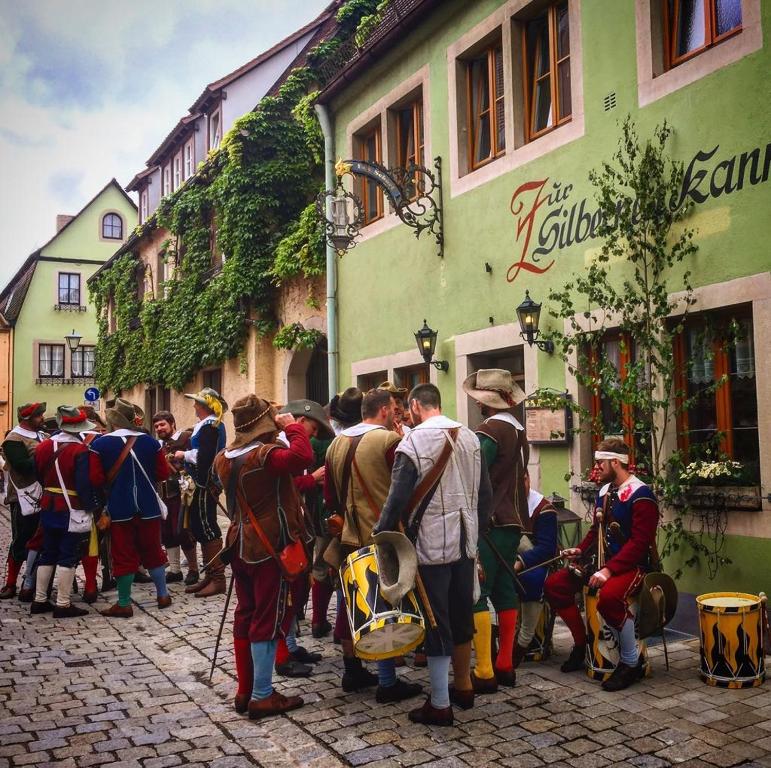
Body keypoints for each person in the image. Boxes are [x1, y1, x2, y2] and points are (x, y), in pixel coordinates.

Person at [375, 383, 492, 726]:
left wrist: (381, 534)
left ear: (414, 406)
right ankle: (465, 686)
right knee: (461, 614)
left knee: (437, 620)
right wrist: (476, 534)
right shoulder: (470, 436)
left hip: (430, 544)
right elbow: (484, 496)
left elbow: (397, 498)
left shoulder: (412, 441)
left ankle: (440, 703)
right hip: (465, 541)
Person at [213, 394, 312, 719]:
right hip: (268, 547)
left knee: (246, 614)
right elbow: (302, 457)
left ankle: (245, 690)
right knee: (266, 618)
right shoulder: (266, 455)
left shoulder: (223, 457)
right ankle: (261, 695)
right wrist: (293, 427)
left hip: (240, 543)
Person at [325, 388, 423, 702]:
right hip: (382, 533)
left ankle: (352, 667)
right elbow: (404, 488)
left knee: (351, 598)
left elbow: (329, 497)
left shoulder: (335, 444)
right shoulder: (388, 441)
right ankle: (387, 681)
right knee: (384, 602)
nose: (397, 413)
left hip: (346, 534)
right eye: (394, 408)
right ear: (382, 410)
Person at [544, 438, 659, 691]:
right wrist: (580, 550)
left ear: (615, 463)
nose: (596, 469)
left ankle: (630, 663)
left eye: (600, 463)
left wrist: (608, 570)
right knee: (555, 585)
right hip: (601, 563)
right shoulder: (605, 492)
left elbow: (640, 544)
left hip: (634, 566)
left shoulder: (642, 495)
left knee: (609, 598)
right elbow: (596, 531)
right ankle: (580, 644)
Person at [462, 369, 529, 693]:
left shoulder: (489, 430)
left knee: (478, 592)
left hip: (489, 523)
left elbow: (473, 474)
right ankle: (505, 665)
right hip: (513, 523)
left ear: (484, 400)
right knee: (504, 591)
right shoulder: (518, 430)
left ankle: (485, 671)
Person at [91, 398, 172, 618]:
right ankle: (163, 595)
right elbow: (163, 474)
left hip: (119, 507)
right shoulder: (150, 442)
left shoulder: (100, 444)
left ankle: (124, 603)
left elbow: (96, 479)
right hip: (149, 506)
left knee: (123, 554)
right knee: (153, 550)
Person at [274, 399, 336, 677]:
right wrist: (312, 479)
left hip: (296, 523)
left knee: (296, 589)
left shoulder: (289, 442)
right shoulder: (279, 446)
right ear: (298, 422)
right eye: (311, 429)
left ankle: (290, 643)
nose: (312, 436)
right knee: (284, 593)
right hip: (280, 529)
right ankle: (282, 652)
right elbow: (283, 484)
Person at [31, 406, 105, 618]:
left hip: (48, 504)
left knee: (48, 552)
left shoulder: (43, 446)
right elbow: (84, 484)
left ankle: (40, 600)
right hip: (71, 507)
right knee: (68, 554)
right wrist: (91, 507)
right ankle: (63, 604)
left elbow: (38, 475)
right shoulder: (80, 451)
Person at [173, 387, 228, 598]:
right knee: (200, 525)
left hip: (205, 483)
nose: (194, 406)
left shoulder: (211, 426)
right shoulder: (206, 426)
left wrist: (183, 454)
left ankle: (218, 578)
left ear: (205, 406)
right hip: (201, 482)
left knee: (206, 526)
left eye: (197, 403)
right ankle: (211, 575)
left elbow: (205, 457)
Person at [512, 471, 559, 668]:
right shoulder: (504, 504)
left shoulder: (543, 509)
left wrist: (521, 562)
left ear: (529, 478)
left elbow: (546, 549)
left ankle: (523, 642)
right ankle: (496, 642)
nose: (521, 484)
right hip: (509, 561)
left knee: (532, 579)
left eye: (524, 478)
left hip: (538, 563)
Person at [1, 402, 47, 600]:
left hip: (43, 494)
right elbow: (22, 465)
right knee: (22, 539)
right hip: (23, 496)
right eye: (39, 416)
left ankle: (32, 581)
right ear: (28, 419)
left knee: (41, 539)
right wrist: (46, 452)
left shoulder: (41, 436)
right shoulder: (13, 440)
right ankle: (10, 583)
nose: (42, 419)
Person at [152, 411, 194, 584]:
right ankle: (175, 570)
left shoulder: (185, 438)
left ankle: (193, 569)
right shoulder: (157, 444)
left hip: (181, 493)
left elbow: (196, 460)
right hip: (163, 494)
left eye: (162, 425)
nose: (159, 429)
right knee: (167, 532)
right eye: (156, 426)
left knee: (183, 531)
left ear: (172, 423)